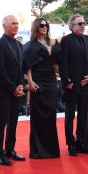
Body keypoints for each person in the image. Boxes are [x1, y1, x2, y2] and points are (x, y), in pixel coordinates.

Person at [60, 14, 88, 156]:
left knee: (83, 114)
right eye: (80, 23)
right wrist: (66, 82)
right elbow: (63, 63)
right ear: (72, 25)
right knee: (70, 115)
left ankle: (81, 142)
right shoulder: (66, 40)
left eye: (84, 23)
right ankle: (71, 143)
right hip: (72, 85)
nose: (82, 25)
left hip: (86, 84)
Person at [24, 17, 60, 159]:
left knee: (51, 115)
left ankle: (51, 150)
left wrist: (65, 76)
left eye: (46, 25)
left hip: (51, 81)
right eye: (42, 25)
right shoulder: (31, 45)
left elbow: (56, 64)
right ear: (36, 27)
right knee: (38, 116)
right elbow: (28, 65)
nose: (45, 27)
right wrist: (30, 82)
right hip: (38, 80)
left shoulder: (53, 43)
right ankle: (38, 150)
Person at [0, 15, 26, 166]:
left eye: (17, 23)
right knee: (2, 123)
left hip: (16, 91)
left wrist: (20, 86)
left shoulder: (19, 45)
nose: (16, 26)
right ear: (4, 25)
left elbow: (21, 69)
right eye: (13, 23)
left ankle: (9, 150)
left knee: (13, 122)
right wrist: (13, 88)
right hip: (5, 91)